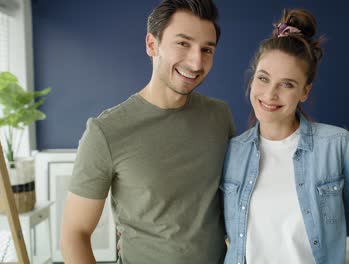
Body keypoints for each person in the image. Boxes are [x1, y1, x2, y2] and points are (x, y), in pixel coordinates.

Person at [60, 0, 234, 263]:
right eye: (183, 44)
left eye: (206, 49)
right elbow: (74, 234)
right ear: (152, 45)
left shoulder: (219, 116)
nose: (197, 62)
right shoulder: (105, 132)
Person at [221, 8, 349, 264]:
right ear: (252, 80)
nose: (270, 94)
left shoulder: (336, 145)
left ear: (305, 91)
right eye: (263, 78)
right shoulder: (231, 152)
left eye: (287, 84)